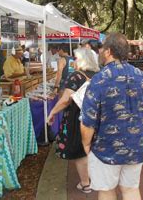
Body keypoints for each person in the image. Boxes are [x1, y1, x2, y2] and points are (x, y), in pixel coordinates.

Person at [80, 32, 143, 200]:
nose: (100, 52)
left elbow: (88, 121)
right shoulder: (142, 77)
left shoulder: (98, 80)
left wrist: (86, 144)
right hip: (136, 146)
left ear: (108, 51)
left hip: (105, 149)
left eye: (102, 49)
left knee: (107, 191)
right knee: (130, 189)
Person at [47, 47, 99, 194]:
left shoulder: (76, 76)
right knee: (91, 149)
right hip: (96, 117)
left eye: (75, 58)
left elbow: (65, 100)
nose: (73, 61)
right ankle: (93, 179)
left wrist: (52, 113)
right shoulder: (99, 74)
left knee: (80, 151)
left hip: (78, 118)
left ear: (82, 60)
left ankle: (85, 183)